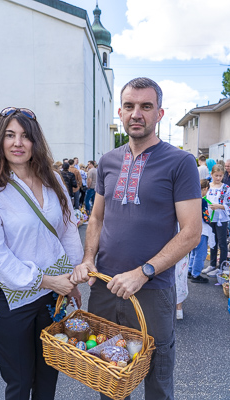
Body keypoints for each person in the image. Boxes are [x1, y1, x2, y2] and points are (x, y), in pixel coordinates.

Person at [71, 77, 201, 400]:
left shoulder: (180, 162)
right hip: (104, 288)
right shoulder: (108, 162)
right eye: (129, 106)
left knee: (157, 382)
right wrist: (88, 259)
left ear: (159, 113)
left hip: (152, 293)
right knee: (110, 377)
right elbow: (97, 218)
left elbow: (191, 232)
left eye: (146, 106)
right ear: (120, 111)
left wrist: (143, 272)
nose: (136, 113)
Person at [0, 107, 83, 400]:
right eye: (10, 135)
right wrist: (50, 282)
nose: (17, 143)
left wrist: (71, 280)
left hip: (52, 296)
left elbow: (69, 228)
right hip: (11, 300)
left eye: (24, 136)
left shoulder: (54, 181)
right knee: (20, 383)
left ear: (35, 141)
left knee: (48, 374)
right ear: (0, 140)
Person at [202, 164, 230, 277]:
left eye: (220, 176)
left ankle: (222, 267)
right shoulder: (208, 187)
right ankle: (212, 264)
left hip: (221, 220)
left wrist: (220, 206)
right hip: (209, 218)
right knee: (212, 242)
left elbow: (228, 204)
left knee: (222, 244)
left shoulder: (226, 188)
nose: (218, 178)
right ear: (212, 174)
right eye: (216, 175)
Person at [188, 179, 215, 283]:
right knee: (201, 254)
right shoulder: (202, 200)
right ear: (205, 189)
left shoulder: (191, 198)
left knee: (194, 252)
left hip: (192, 228)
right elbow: (205, 217)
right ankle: (196, 274)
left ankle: (190, 271)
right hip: (202, 230)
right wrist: (210, 220)